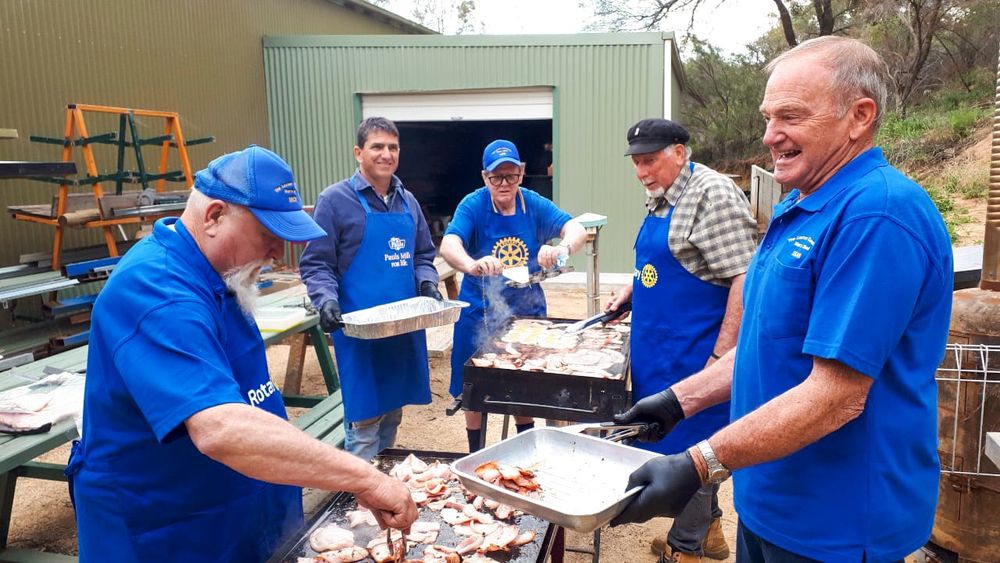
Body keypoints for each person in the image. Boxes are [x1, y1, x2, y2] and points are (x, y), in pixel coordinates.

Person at [611, 36, 953, 563]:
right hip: (770, 498)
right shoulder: (803, 203)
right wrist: (681, 400)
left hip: (836, 521)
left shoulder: (876, 215)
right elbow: (772, 344)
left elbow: (837, 395)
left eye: (790, 116)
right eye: (768, 117)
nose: (771, 135)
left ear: (859, 116)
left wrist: (698, 462)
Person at [68, 146, 418, 562]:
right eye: (268, 237)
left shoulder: (221, 272)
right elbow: (221, 428)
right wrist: (364, 477)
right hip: (168, 531)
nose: (277, 253)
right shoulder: (156, 292)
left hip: (236, 514)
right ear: (214, 216)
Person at [605, 118, 756, 563]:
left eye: (650, 160)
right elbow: (675, 264)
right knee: (678, 446)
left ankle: (684, 549)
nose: (642, 172)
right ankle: (709, 535)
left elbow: (745, 279)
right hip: (661, 354)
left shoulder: (713, 194)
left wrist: (720, 356)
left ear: (679, 152)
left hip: (696, 356)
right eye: (636, 162)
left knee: (697, 451)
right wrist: (634, 290)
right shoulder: (661, 197)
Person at [300, 117, 439, 461]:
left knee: (393, 411)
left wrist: (426, 282)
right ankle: (360, 497)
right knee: (364, 418)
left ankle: (383, 482)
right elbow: (316, 263)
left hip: (402, 329)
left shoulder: (408, 202)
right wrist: (326, 301)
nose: (386, 154)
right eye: (377, 146)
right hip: (359, 331)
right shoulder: (334, 201)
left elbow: (423, 253)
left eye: (393, 147)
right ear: (358, 152)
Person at [440, 139, 587, 452]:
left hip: (526, 313)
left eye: (511, 176)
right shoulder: (473, 204)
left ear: (521, 173)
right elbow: (449, 244)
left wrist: (561, 249)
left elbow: (577, 229)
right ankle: (475, 453)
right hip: (479, 310)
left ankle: (525, 451)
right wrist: (472, 264)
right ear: (485, 177)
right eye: (496, 177)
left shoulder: (532, 203)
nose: (504, 184)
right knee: (474, 390)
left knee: (526, 386)